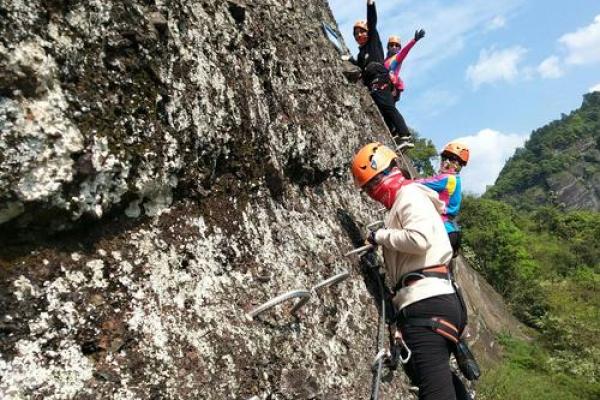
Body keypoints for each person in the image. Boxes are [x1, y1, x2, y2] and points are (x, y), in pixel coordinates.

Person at [351, 142, 469, 400]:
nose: (372, 192)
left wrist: (380, 235)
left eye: (373, 184)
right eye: (367, 189)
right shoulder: (410, 199)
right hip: (436, 299)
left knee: (436, 392)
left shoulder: (409, 195)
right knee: (438, 379)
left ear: (387, 173)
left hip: (427, 302)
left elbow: (419, 239)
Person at [348, 0, 413, 149]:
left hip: (380, 78)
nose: (359, 35)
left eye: (362, 31)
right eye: (356, 33)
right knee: (382, 108)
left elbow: (372, 21)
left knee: (388, 106)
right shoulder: (361, 53)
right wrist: (349, 59)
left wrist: (370, 5)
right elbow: (359, 66)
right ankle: (395, 132)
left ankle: (405, 135)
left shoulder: (373, 41)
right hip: (372, 83)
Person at [416, 141, 470, 257]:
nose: (445, 161)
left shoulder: (448, 179)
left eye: (450, 159)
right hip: (451, 231)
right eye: (444, 157)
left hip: (442, 230)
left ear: (457, 165)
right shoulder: (455, 179)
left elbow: (421, 184)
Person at [385, 30, 425, 103]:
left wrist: (414, 40)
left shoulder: (398, 57)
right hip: (384, 85)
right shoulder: (384, 61)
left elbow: (405, 51)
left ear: (399, 48)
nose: (394, 47)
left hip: (392, 87)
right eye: (391, 45)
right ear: (388, 47)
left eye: (396, 45)